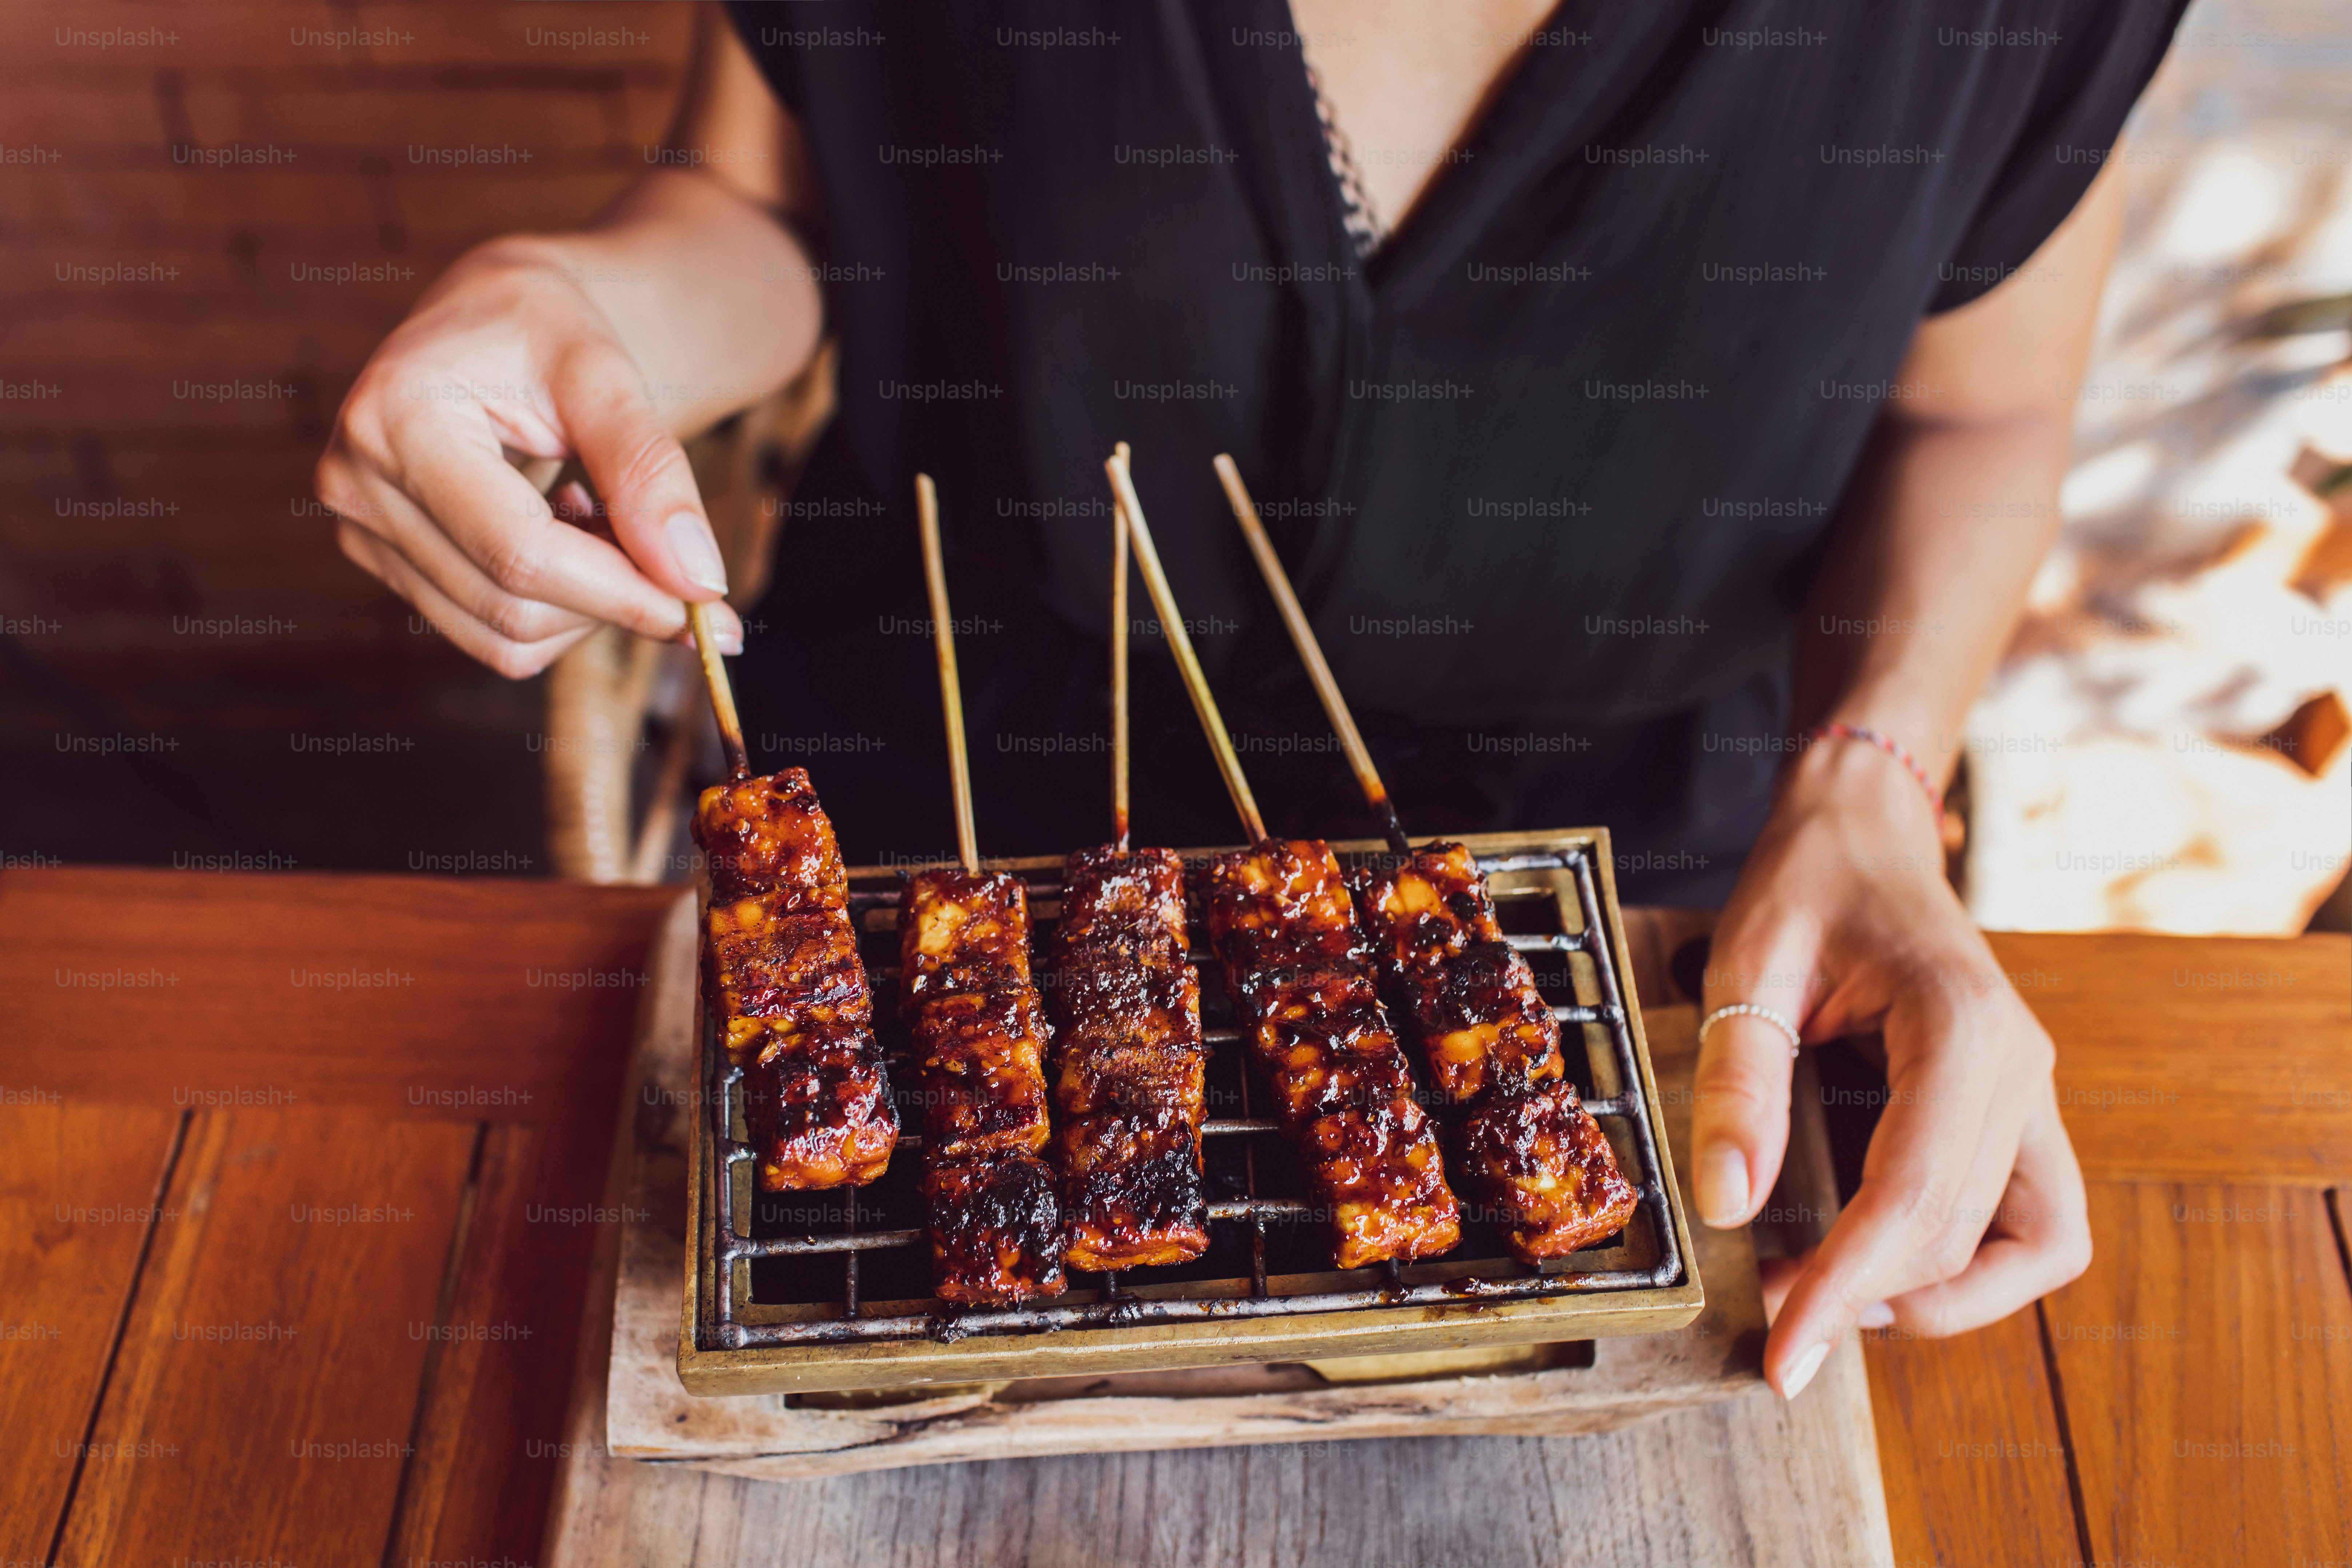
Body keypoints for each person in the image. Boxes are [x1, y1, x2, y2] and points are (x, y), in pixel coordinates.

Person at [316, 0, 2188, 1400]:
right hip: (946, 814)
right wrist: (568, 299)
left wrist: (1874, 776)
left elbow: (1983, 409)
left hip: (1654, 917)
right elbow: (763, 199)